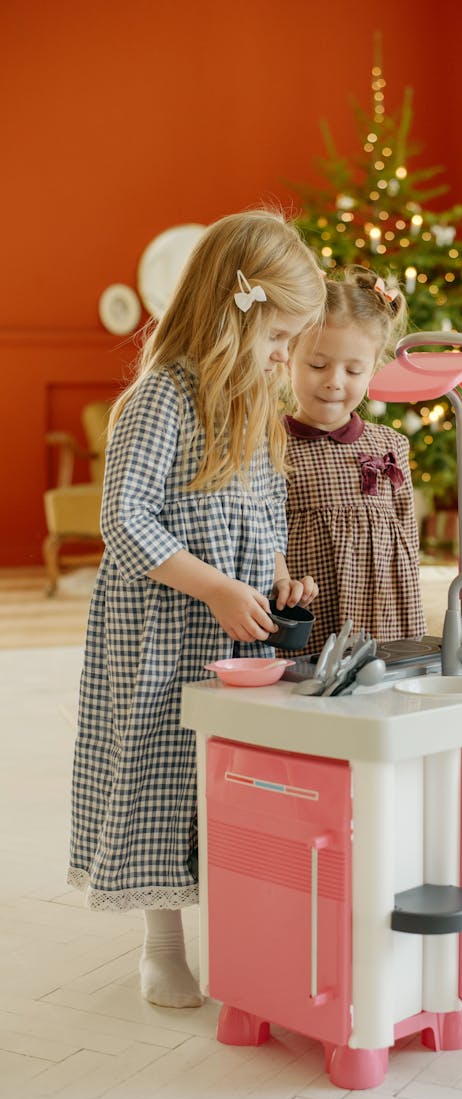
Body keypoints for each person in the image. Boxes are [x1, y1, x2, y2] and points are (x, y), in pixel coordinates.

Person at [67, 210, 326, 1008]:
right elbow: (124, 518)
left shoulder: (250, 406)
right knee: (159, 771)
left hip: (234, 631)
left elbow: (264, 507)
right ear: (233, 311)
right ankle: (162, 941)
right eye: (279, 336)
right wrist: (213, 584)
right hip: (162, 630)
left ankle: (245, 917)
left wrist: (280, 572)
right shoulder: (159, 401)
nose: (286, 356)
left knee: (237, 771)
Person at [284, 267, 426, 656]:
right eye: (317, 365)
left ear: (374, 369)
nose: (334, 381)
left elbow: (407, 537)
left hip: (384, 615)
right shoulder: (269, 445)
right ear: (288, 358)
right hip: (307, 613)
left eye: (353, 370)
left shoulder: (391, 445)